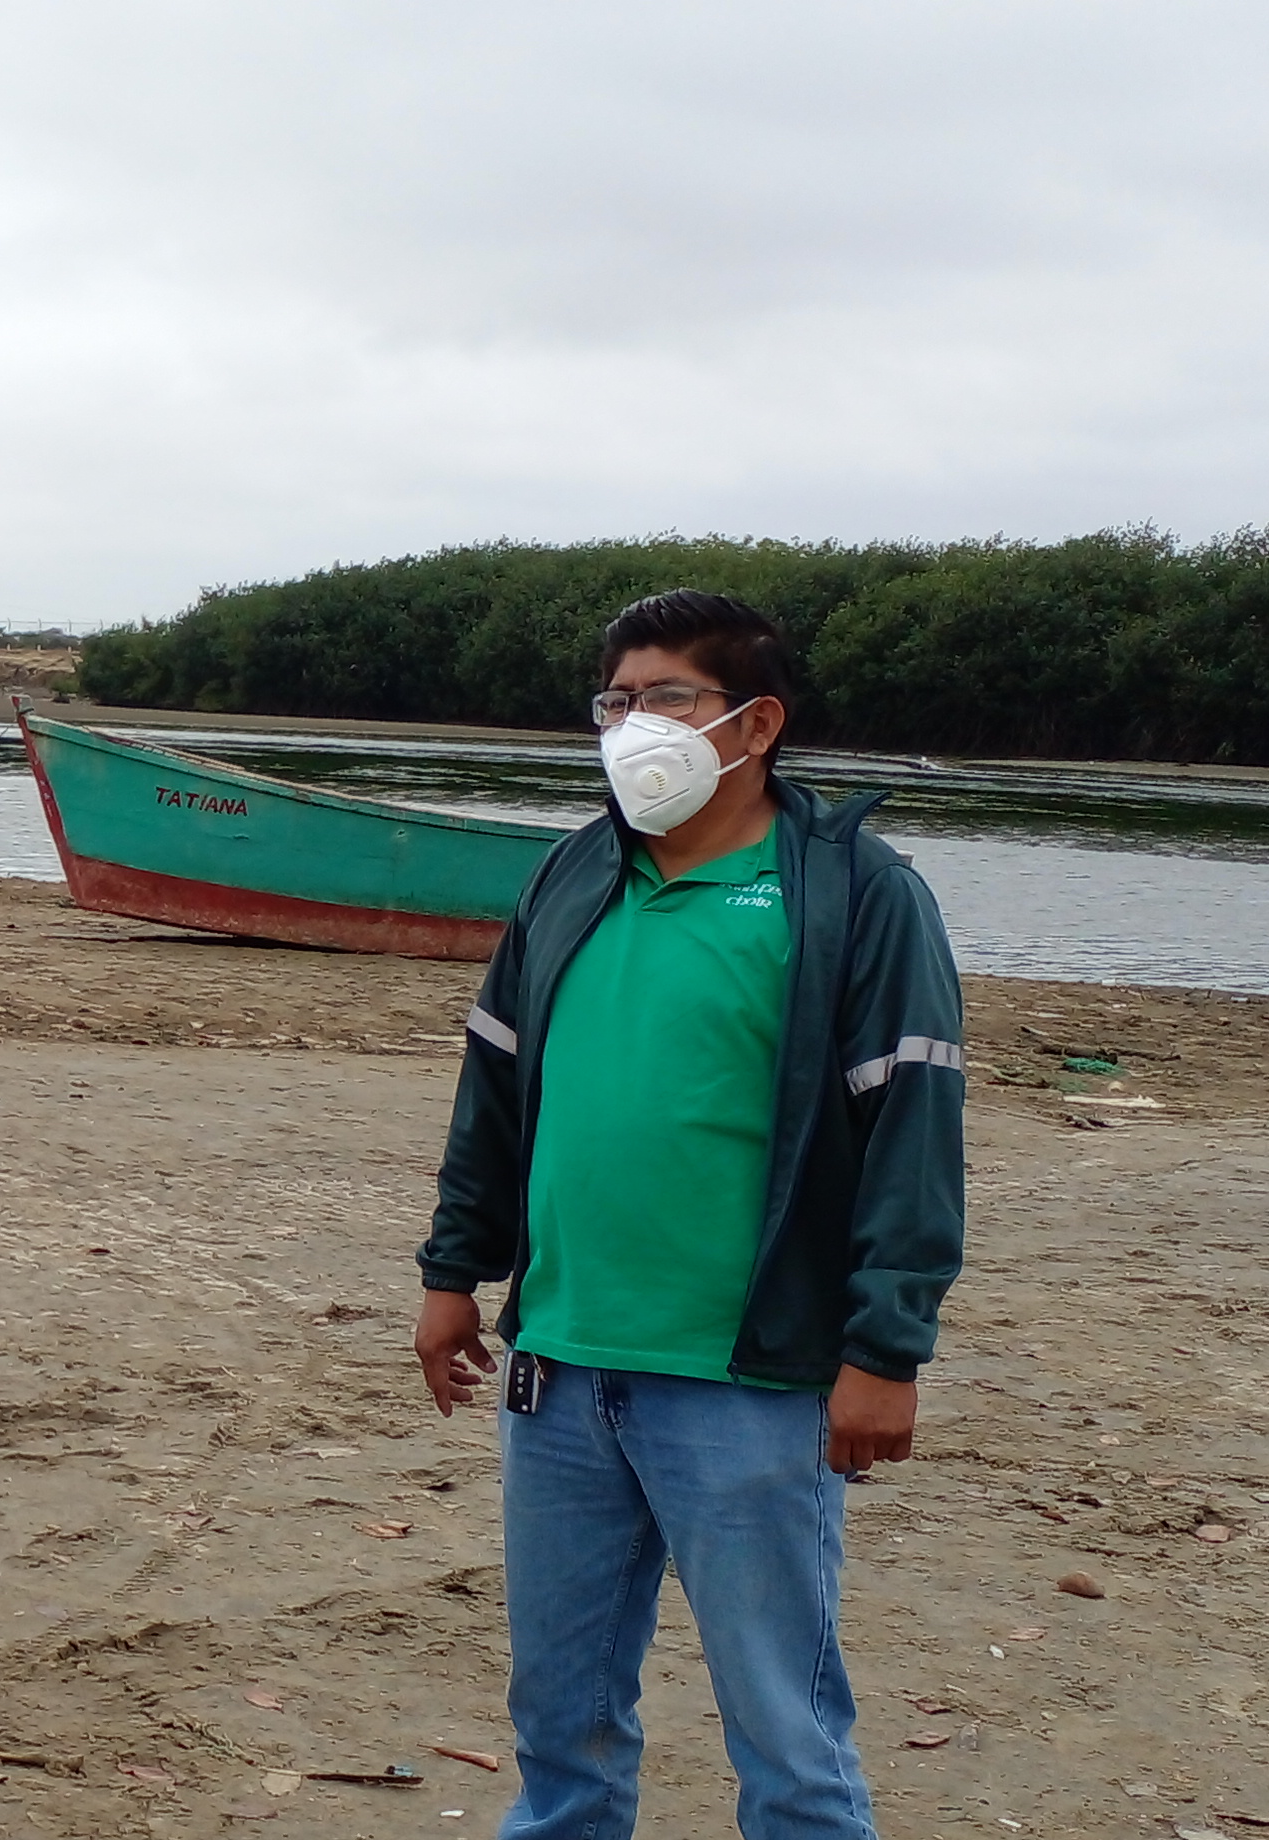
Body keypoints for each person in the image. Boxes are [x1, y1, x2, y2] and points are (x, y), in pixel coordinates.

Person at [414, 589, 966, 1840]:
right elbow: (493, 1084)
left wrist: (886, 1350)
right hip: (561, 1366)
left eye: (668, 698)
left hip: (748, 1382)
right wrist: (454, 1272)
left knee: (785, 1731)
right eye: (614, 702)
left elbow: (913, 1132)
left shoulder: (853, 892)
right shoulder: (573, 873)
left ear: (756, 723)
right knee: (560, 1719)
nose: (632, 726)